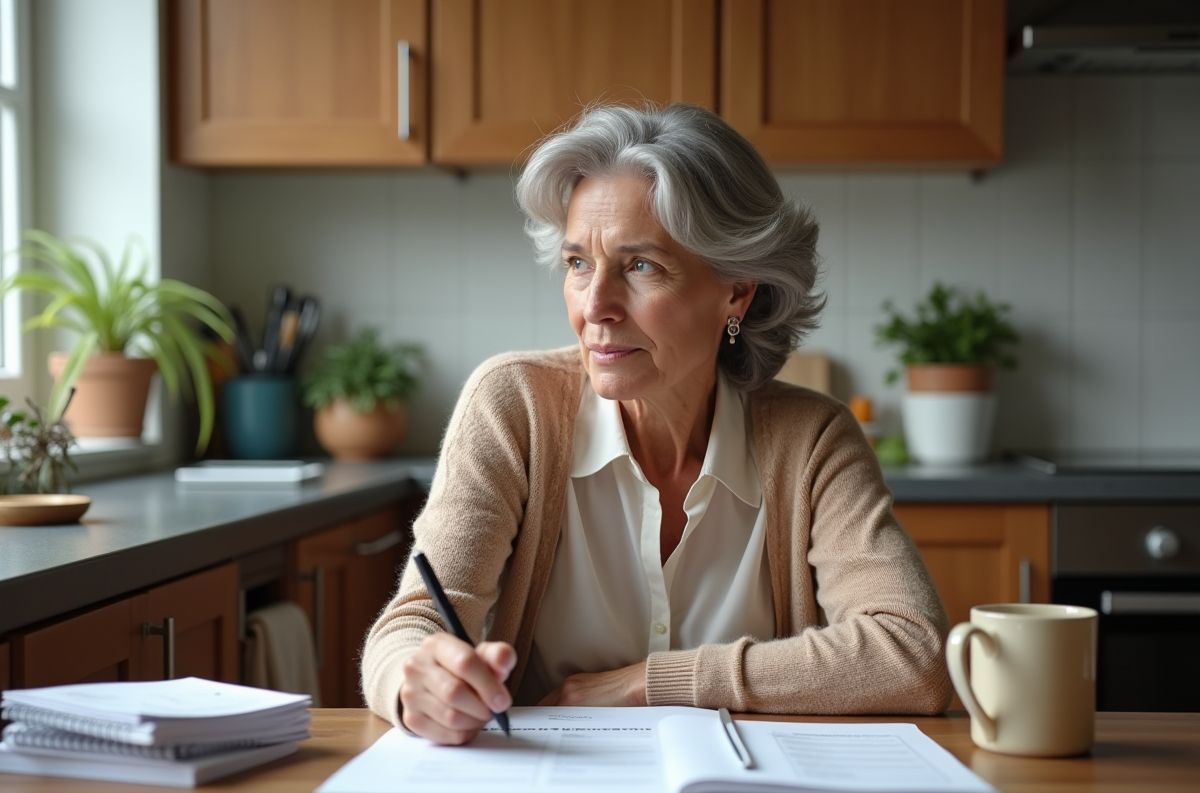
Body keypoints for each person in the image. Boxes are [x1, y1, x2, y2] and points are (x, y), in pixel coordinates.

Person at [362, 103, 952, 744]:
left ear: (737, 290)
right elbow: (414, 624)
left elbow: (913, 653)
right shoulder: (513, 406)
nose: (595, 308)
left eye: (641, 266)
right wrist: (413, 680)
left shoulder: (812, 439)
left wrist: (652, 682)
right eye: (578, 263)